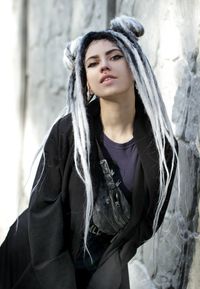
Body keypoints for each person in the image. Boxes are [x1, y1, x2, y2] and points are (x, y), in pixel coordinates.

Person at [0, 15, 178, 289]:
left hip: (102, 265)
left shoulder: (162, 147)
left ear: (135, 66)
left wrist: (113, 258)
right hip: (38, 257)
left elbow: (146, 221)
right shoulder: (67, 132)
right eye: (92, 63)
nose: (104, 66)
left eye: (115, 57)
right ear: (86, 82)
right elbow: (43, 209)